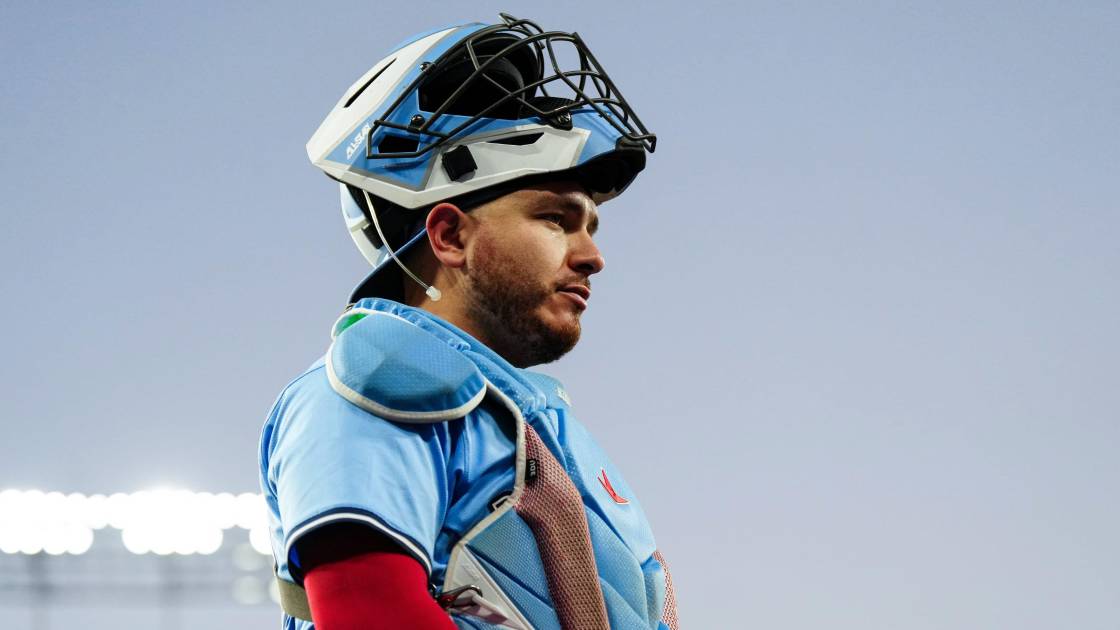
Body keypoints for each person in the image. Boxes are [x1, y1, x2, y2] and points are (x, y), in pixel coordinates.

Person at [259, 14, 679, 629]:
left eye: (590, 227)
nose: (592, 256)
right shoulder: (373, 390)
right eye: (555, 220)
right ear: (450, 236)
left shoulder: (522, 421)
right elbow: (367, 614)